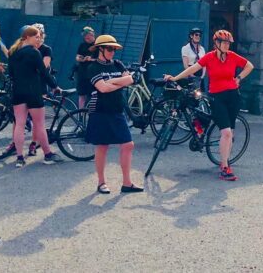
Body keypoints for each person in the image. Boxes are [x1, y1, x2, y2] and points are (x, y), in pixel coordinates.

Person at [165, 29, 254, 181]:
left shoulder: (232, 57)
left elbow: (249, 66)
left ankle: (223, 158)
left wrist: (238, 78)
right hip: (217, 97)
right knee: (225, 132)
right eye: (224, 43)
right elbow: (193, 68)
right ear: (217, 43)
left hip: (233, 97)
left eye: (228, 43)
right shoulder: (209, 57)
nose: (227, 45)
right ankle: (225, 167)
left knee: (229, 133)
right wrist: (175, 78)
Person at [85, 35, 143, 194]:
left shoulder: (118, 64)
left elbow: (129, 80)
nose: (113, 52)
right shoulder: (93, 67)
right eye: (109, 48)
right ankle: (101, 182)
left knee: (128, 144)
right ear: (100, 49)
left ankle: (127, 183)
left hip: (117, 109)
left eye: (114, 49)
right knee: (102, 146)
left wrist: (110, 82)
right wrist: (120, 81)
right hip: (100, 110)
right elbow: (102, 89)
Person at [7, 26, 62, 167]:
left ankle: (20, 157)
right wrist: (55, 86)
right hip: (33, 91)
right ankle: (48, 154)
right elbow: (44, 72)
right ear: (27, 37)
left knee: (19, 124)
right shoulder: (34, 52)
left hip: (18, 91)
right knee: (39, 124)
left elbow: (11, 74)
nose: (39, 39)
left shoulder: (13, 52)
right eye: (36, 37)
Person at [75, 27, 97, 109]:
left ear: (92, 35)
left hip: (92, 73)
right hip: (82, 73)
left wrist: (91, 59)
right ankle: (80, 114)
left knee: (93, 94)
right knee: (81, 94)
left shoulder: (98, 45)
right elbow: (77, 56)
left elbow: (101, 60)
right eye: (84, 36)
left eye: (87, 36)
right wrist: (80, 58)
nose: (86, 38)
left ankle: (92, 114)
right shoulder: (82, 44)